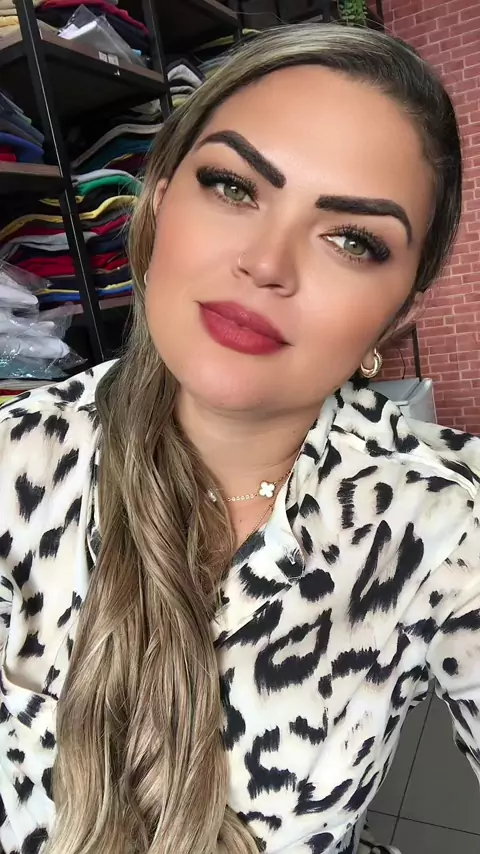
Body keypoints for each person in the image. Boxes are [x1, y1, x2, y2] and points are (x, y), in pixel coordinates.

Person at [0, 21, 478, 854]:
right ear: (158, 202)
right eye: (233, 186)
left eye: (353, 240)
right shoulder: (15, 461)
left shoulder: (440, 518)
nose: (267, 263)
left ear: (397, 312)